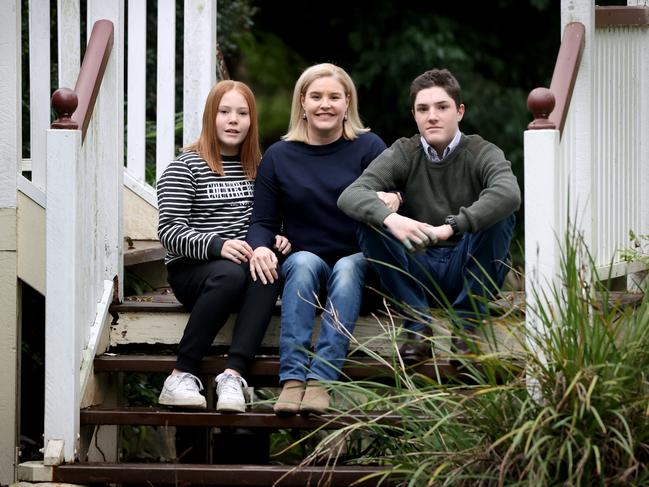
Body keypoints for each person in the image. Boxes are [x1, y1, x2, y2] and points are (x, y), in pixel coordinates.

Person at [338, 68, 520, 361]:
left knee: (500, 214)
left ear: (459, 112)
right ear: (414, 115)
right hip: (418, 264)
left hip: (468, 266)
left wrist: (451, 227)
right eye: (423, 109)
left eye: (442, 107)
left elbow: (509, 193)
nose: (432, 116)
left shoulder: (482, 151)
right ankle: (417, 326)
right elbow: (351, 195)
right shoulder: (404, 152)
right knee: (370, 220)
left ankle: (467, 328)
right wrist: (393, 218)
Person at [246, 63, 387, 415]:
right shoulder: (279, 156)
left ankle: (322, 379)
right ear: (303, 103)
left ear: (347, 102)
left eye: (334, 97)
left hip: (361, 266)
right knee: (304, 262)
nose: (325, 104)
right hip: (305, 266)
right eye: (317, 97)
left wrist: (394, 197)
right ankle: (293, 380)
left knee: (348, 267)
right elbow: (262, 220)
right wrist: (261, 246)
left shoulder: (369, 147)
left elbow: (396, 201)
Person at [156, 80, 290, 412]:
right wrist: (218, 245)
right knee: (230, 274)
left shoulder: (260, 169)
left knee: (267, 268)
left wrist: (282, 236)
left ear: (251, 120)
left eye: (242, 113)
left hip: (243, 267)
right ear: (210, 118)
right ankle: (181, 373)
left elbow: (273, 217)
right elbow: (169, 231)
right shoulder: (185, 167)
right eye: (224, 112)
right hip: (193, 271)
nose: (233, 120)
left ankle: (234, 375)